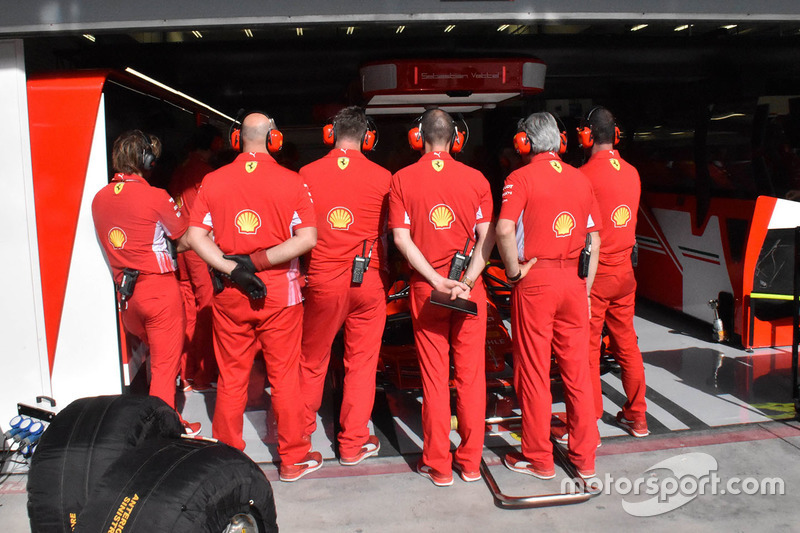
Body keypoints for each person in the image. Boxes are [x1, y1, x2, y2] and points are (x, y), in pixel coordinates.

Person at [185, 112, 320, 482]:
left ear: (236, 140)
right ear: (274, 139)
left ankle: (227, 458)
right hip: (280, 293)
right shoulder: (292, 181)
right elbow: (307, 238)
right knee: (285, 377)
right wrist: (257, 261)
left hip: (232, 292)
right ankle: (292, 459)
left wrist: (233, 269)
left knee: (231, 378)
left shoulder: (212, 180)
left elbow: (195, 237)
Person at [389, 108, 495, 486]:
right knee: (470, 377)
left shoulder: (401, 179)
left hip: (427, 290)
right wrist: (465, 280)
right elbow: (489, 236)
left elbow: (402, 240)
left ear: (418, 138)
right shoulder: (477, 178)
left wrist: (435, 279)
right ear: (456, 139)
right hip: (470, 290)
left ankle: (437, 464)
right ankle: (469, 463)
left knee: (434, 379)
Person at [495, 112, 601, 480]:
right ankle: (585, 458)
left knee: (534, 372)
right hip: (574, 279)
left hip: (535, 280)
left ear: (524, 143)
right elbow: (594, 238)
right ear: (560, 142)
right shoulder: (581, 178)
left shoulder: (519, 178)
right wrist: (585, 288)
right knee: (578, 372)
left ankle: (538, 458)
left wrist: (512, 272)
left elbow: (504, 229)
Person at [91, 130, 201, 436]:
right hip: (159, 292)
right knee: (165, 371)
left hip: (127, 298)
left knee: (154, 362)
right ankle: (165, 433)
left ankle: (165, 421)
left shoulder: (98, 198)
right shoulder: (155, 196)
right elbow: (183, 236)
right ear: (146, 160)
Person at [298, 107, 391, 465]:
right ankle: (353, 444)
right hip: (368, 280)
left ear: (330, 134)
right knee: (362, 364)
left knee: (311, 362)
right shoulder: (384, 176)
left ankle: (300, 438)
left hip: (322, 278)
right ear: (367, 137)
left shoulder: (306, 174)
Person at [579, 107, 648, 437]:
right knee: (627, 347)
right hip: (624, 275)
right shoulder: (633, 172)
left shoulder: (584, 176)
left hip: (595, 278)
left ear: (588, 135)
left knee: (589, 349)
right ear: (615, 135)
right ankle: (638, 417)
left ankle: (590, 421)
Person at [168, 125, 222, 393]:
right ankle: (202, 375)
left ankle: (185, 373)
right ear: (212, 144)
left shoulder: (179, 171)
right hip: (200, 247)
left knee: (188, 309)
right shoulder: (205, 173)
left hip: (179, 248)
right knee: (207, 308)